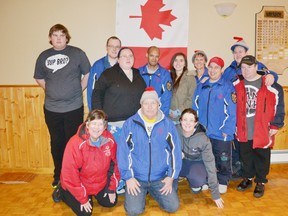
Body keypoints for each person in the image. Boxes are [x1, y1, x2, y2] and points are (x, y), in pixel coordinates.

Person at [33, 24, 91, 188]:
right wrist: (50, 90)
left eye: (62, 35)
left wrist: (78, 89)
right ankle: (58, 175)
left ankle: (74, 175)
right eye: (55, 35)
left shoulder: (78, 53)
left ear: (67, 37)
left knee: (73, 143)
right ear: (50, 38)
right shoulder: (43, 56)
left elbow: (88, 73)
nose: (58, 38)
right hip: (52, 109)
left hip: (74, 108)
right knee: (56, 142)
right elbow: (39, 78)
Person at [117, 87, 182, 215]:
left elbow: (175, 152)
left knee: (173, 206)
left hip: (160, 177)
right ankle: (143, 192)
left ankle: (152, 191)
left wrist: (170, 177)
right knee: (133, 211)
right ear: (141, 105)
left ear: (158, 104)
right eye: (146, 103)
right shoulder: (130, 124)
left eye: (153, 103)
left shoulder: (168, 124)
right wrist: (128, 178)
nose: (150, 106)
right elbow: (123, 152)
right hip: (137, 178)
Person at [92, 47, 146, 194]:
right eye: (124, 56)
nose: (128, 58)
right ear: (118, 59)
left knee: (133, 154)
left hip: (134, 124)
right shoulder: (108, 74)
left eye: (130, 56)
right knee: (116, 155)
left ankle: (133, 180)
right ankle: (117, 182)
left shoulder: (137, 74)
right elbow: (96, 94)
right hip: (114, 125)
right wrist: (99, 119)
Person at [222, 36, 278, 179]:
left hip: (259, 120)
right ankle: (246, 176)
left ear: (246, 53)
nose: (238, 54)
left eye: (241, 51)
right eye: (235, 52)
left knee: (260, 152)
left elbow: (271, 76)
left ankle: (260, 180)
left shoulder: (257, 65)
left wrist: (272, 75)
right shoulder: (229, 70)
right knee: (243, 151)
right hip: (241, 120)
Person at [52, 109, 120, 215]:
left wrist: (111, 189)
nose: (96, 128)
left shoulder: (109, 140)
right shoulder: (75, 143)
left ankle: (92, 195)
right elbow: (70, 174)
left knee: (110, 202)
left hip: (99, 183)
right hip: (78, 184)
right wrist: (83, 198)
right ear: (87, 124)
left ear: (105, 126)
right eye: (93, 123)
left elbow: (115, 165)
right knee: (85, 213)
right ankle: (62, 190)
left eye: (100, 124)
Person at [234, 55, 285, 198]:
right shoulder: (237, 84)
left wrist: (276, 124)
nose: (246, 70)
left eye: (249, 67)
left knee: (262, 156)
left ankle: (261, 182)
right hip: (243, 127)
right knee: (245, 155)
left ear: (256, 66)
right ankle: (248, 178)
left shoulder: (270, 85)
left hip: (263, 128)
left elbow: (279, 106)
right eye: (243, 67)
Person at [192, 57, 236, 194]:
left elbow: (232, 110)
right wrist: (197, 126)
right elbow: (195, 106)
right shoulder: (201, 86)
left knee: (222, 157)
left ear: (221, 70)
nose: (212, 70)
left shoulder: (227, 86)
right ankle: (206, 180)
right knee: (205, 157)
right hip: (204, 131)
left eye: (216, 67)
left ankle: (223, 180)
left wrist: (227, 129)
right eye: (210, 67)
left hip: (221, 132)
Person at [177, 108, 224, 209]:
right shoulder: (175, 130)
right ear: (180, 121)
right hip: (180, 162)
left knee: (198, 180)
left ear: (196, 123)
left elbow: (210, 164)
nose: (187, 123)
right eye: (185, 120)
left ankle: (196, 183)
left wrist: (215, 194)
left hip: (196, 163)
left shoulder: (203, 139)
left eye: (191, 120)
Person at [86, 36, 121, 111]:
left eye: (117, 47)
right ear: (106, 48)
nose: (114, 49)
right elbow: (91, 91)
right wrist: (92, 112)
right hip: (101, 111)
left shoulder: (124, 66)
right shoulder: (97, 66)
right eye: (111, 46)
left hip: (119, 112)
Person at [138, 46, 173, 116]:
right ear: (147, 55)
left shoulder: (165, 74)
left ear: (159, 57)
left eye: (156, 56)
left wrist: (161, 117)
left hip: (158, 114)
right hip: (141, 115)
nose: (154, 59)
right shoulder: (138, 72)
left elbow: (167, 98)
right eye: (151, 56)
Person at [169, 52, 196, 124]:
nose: (178, 63)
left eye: (181, 60)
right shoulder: (168, 77)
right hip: (168, 116)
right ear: (172, 62)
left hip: (182, 117)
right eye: (176, 60)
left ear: (185, 64)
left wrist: (178, 111)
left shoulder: (190, 78)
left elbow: (191, 98)